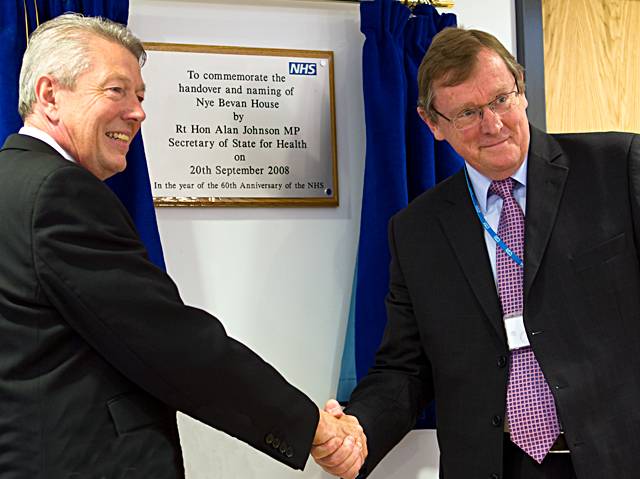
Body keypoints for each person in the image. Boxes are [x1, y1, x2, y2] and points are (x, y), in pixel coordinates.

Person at [0, 13, 366, 478]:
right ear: (50, 94)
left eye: (140, 95)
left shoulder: (11, 181)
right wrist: (311, 426)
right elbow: (171, 343)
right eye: (116, 90)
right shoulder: (59, 193)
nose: (137, 111)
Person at [324, 27, 640, 479]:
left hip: (619, 458)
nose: (492, 124)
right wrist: (359, 427)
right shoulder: (417, 230)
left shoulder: (617, 167)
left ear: (522, 89)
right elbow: (404, 369)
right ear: (432, 123)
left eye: (500, 100)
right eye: (468, 112)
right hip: (494, 465)